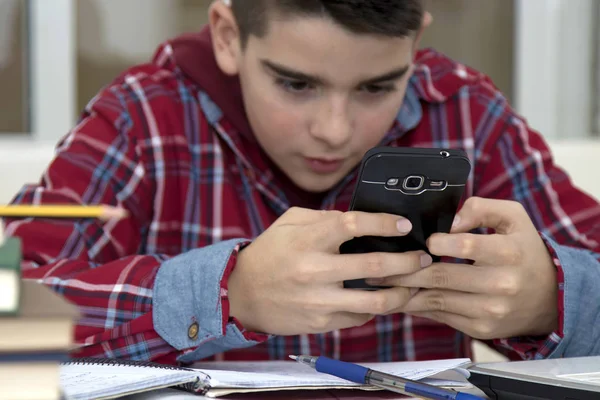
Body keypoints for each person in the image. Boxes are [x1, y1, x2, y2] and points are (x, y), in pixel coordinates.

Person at [5, 0, 600, 365]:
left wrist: (553, 299)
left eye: (376, 88)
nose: (336, 131)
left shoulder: (468, 111)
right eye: (296, 84)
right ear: (228, 36)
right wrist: (224, 294)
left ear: (415, 44)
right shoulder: (143, 117)